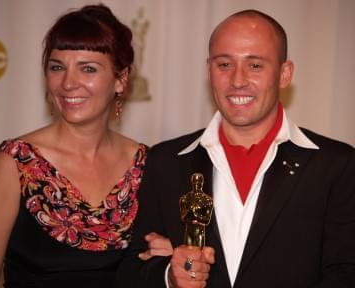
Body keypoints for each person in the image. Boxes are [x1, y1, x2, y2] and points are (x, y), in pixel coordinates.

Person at [115, 9, 355, 288]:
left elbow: (346, 274)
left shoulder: (337, 167)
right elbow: (131, 272)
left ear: (284, 74)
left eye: (255, 65)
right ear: (209, 71)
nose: (238, 80)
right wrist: (169, 274)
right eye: (224, 64)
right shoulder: (165, 161)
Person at [0, 4, 170, 288]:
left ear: (120, 79)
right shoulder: (15, 163)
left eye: (87, 68)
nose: (68, 82)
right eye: (57, 67)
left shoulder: (146, 165)